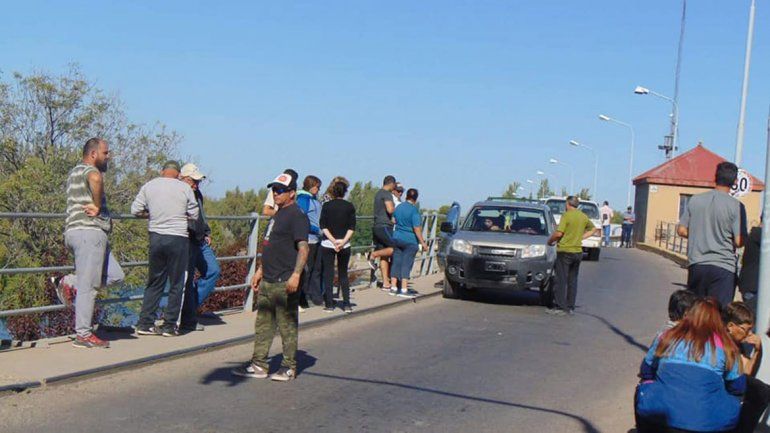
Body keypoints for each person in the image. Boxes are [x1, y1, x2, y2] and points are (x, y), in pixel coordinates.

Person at [232, 172, 309, 382]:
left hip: (285, 280)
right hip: (268, 278)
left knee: (287, 326)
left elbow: (303, 248)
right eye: (274, 189)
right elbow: (270, 246)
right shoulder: (277, 215)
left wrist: (296, 275)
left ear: (292, 193)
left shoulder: (297, 215)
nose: (276, 193)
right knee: (263, 325)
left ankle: (289, 366)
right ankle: (259, 364)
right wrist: (259, 271)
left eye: (281, 190)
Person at [53, 138, 125, 348]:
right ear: (93, 154)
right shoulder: (90, 171)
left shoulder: (75, 171)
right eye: (106, 152)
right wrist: (96, 205)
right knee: (89, 287)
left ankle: (68, 282)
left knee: (116, 276)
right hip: (88, 232)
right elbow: (95, 178)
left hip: (81, 233)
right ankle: (83, 334)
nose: (108, 156)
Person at [635, 298, 745, 433]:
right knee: (736, 402)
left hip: (659, 419)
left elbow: (646, 371)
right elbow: (738, 387)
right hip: (707, 424)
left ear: (689, 315)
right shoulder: (728, 346)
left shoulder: (668, 336)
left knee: (643, 387)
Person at [131, 161, 199, 337]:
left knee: (154, 282)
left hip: (156, 236)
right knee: (177, 283)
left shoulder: (149, 186)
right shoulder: (184, 188)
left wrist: (151, 215)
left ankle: (145, 323)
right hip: (178, 238)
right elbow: (194, 214)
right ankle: (169, 325)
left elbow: (135, 210)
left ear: (162, 171)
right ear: (178, 174)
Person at [677, 162, 744, 306]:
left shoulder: (695, 200)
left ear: (716, 177)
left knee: (696, 312)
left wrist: (701, 233)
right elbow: (739, 241)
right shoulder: (736, 206)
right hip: (723, 266)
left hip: (697, 264)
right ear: (735, 182)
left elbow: (681, 230)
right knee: (718, 315)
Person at [178, 163, 221, 332]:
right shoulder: (179, 193)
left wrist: (206, 231)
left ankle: (189, 308)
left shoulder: (198, 194)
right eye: (193, 181)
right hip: (186, 240)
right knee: (186, 280)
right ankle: (187, 316)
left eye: (197, 181)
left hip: (200, 240)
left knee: (213, 271)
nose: (196, 184)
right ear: (183, 179)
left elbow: (200, 215)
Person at [546, 196, 599, 316]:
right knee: (572, 280)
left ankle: (560, 306)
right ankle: (570, 306)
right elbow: (593, 229)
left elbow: (559, 233)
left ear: (568, 204)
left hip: (565, 251)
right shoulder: (583, 216)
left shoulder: (567, 215)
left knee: (561, 279)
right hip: (577, 252)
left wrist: (550, 241)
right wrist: (581, 237)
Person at [723, 302, 770, 433]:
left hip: (732, 381)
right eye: (746, 329)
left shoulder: (736, 343)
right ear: (731, 326)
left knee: (761, 390)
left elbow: (746, 371)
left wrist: (757, 351)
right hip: (724, 384)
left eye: (751, 330)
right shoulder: (724, 343)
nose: (749, 334)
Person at [319, 180, 356, 313]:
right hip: (345, 244)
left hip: (328, 243)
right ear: (345, 191)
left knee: (328, 273)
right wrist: (342, 241)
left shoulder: (327, 206)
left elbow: (323, 225)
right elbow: (352, 227)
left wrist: (333, 241)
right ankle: (346, 304)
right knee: (343, 274)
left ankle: (329, 304)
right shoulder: (349, 206)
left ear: (333, 191)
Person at [390, 188, 430, 298]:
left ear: (406, 196)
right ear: (416, 199)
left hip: (397, 237)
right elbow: (416, 228)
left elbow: (393, 220)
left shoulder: (399, 207)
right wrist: (423, 243)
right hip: (410, 240)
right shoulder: (414, 211)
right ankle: (403, 289)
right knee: (407, 263)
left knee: (396, 261)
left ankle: (393, 287)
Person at [296, 175, 323, 309]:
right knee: (306, 270)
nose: (318, 190)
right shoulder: (303, 199)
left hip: (316, 238)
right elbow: (302, 219)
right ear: (311, 186)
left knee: (315, 269)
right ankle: (302, 298)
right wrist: (316, 229)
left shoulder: (314, 200)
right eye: (317, 187)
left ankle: (314, 296)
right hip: (308, 239)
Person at [368, 175, 397, 291]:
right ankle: (373, 255)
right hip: (384, 226)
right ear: (392, 184)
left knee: (384, 255)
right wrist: (397, 209)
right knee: (397, 248)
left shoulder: (378, 193)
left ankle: (386, 283)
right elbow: (390, 209)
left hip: (377, 226)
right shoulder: (386, 194)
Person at [738, 216, 762, 314]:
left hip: (752, 287)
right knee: (754, 323)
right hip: (755, 288)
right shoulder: (760, 235)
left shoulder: (755, 234)